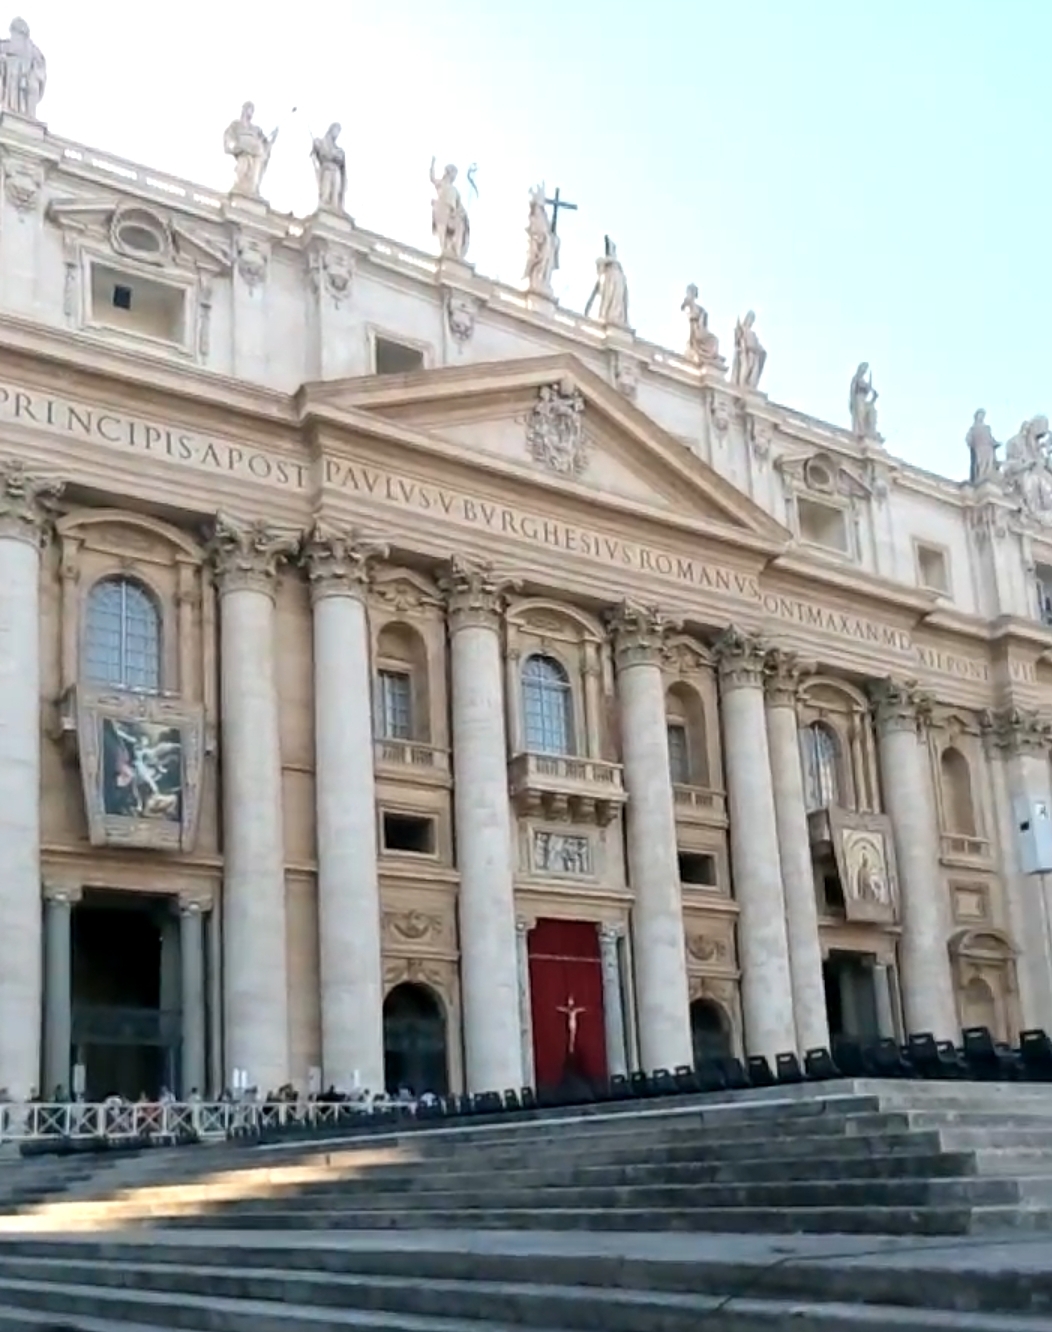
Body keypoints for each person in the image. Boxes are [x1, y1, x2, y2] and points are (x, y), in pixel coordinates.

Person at [429, 158, 470, 260]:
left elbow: (460, 206)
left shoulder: (455, 191)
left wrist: (463, 214)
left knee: (459, 225)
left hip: (452, 212)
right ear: (448, 172)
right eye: (453, 173)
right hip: (442, 208)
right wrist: (433, 163)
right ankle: (444, 249)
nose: (454, 176)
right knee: (442, 229)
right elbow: (432, 178)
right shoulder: (441, 183)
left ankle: (456, 251)